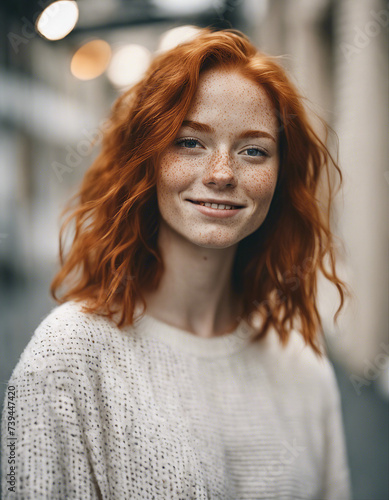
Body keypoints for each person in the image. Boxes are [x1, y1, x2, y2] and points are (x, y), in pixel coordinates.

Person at [1, 28, 352, 499]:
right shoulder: (65, 364)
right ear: (145, 160)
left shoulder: (303, 363)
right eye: (190, 142)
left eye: (254, 150)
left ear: (280, 177)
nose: (222, 173)